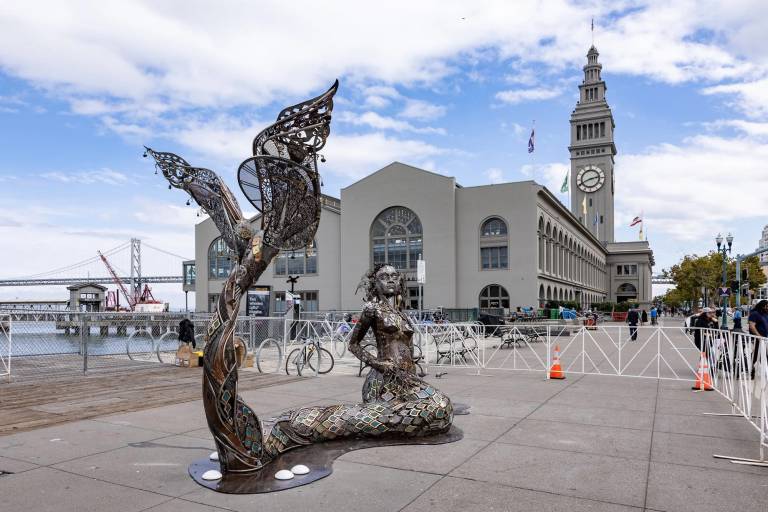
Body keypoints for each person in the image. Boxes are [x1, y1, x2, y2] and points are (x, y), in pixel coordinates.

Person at [747, 300, 768, 379]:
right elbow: (752, 326)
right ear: (762, 306)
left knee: (758, 355)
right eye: (766, 306)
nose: (767, 307)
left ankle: (752, 370)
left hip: (765, 338)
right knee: (757, 355)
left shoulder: (765, 314)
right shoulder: (755, 314)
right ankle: (752, 370)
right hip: (758, 338)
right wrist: (759, 336)